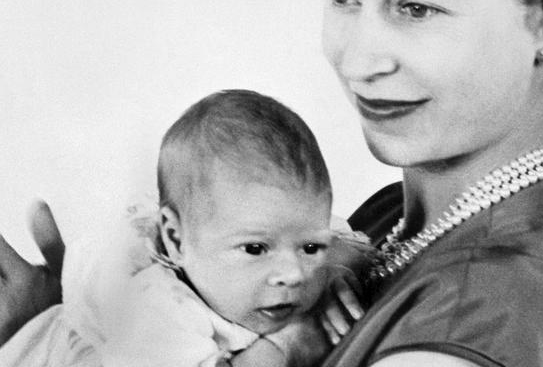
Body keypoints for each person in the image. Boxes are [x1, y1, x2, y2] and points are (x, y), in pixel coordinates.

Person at [1, 0, 543, 365]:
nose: (360, 58)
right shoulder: (385, 221)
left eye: (416, 7)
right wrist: (61, 328)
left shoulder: (475, 326)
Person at [0, 89, 370, 367]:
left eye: (309, 248)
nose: (292, 275)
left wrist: (340, 271)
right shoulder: (161, 313)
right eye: (256, 249)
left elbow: (354, 246)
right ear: (177, 240)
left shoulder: (271, 232)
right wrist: (286, 347)